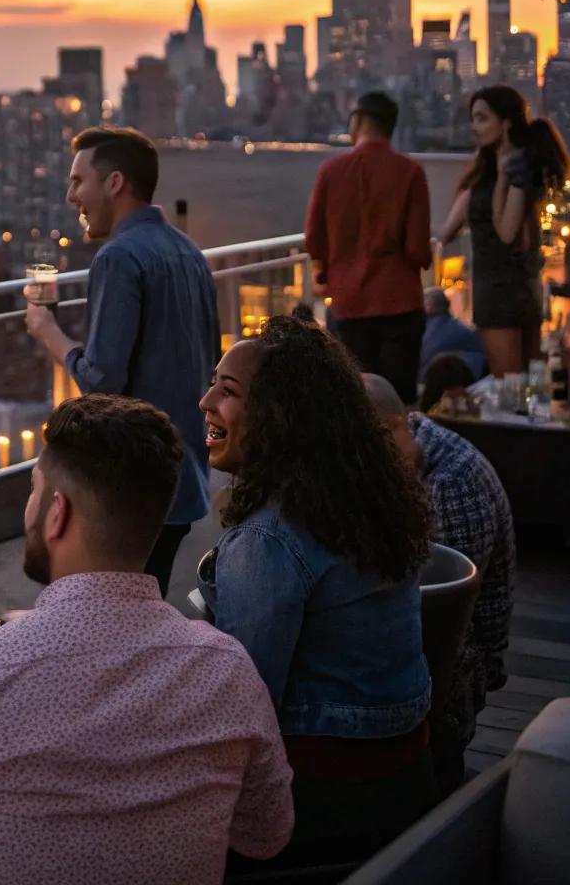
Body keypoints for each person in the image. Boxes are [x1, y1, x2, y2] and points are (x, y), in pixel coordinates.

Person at [0, 394, 293, 885]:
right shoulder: (227, 671)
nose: (30, 508)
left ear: (57, 513)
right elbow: (266, 835)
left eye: (34, 491)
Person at [199, 316, 433, 870]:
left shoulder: (268, 538)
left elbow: (246, 710)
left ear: (282, 418)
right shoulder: (363, 497)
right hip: (410, 779)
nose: (207, 398)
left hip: (328, 803)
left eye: (228, 391)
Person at [24, 125, 220, 594]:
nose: (71, 196)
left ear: (114, 183)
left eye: (77, 181)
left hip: (129, 487)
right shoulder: (188, 252)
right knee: (144, 605)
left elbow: (103, 382)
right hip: (185, 478)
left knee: (107, 610)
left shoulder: (118, 258)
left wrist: (48, 332)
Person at [363, 374, 516, 798]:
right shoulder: (412, 453)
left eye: (362, 450)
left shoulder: (451, 483)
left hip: (456, 672)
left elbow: (443, 621)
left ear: (391, 428)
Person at [304, 90, 432, 403]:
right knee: (398, 402)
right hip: (400, 303)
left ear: (358, 122)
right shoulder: (410, 172)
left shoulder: (331, 171)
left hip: (349, 305)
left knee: (354, 400)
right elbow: (417, 248)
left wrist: (323, 276)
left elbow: (314, 239)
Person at [440, 85, 570, 376]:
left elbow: (508, 232)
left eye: (482, 118)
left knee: (509, 386)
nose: (475, 127)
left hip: (503, 296)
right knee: (520, 387)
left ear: (506, 122)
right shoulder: (489, 176)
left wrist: (501, 179)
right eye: (473, 119)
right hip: (515, 292)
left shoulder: (516, 171)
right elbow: (449, 229)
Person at [420, 287, 487, 382]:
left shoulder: (422, 334)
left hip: (434, 386)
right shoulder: (466, 330)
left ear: (428, 305)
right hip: (474, 383)